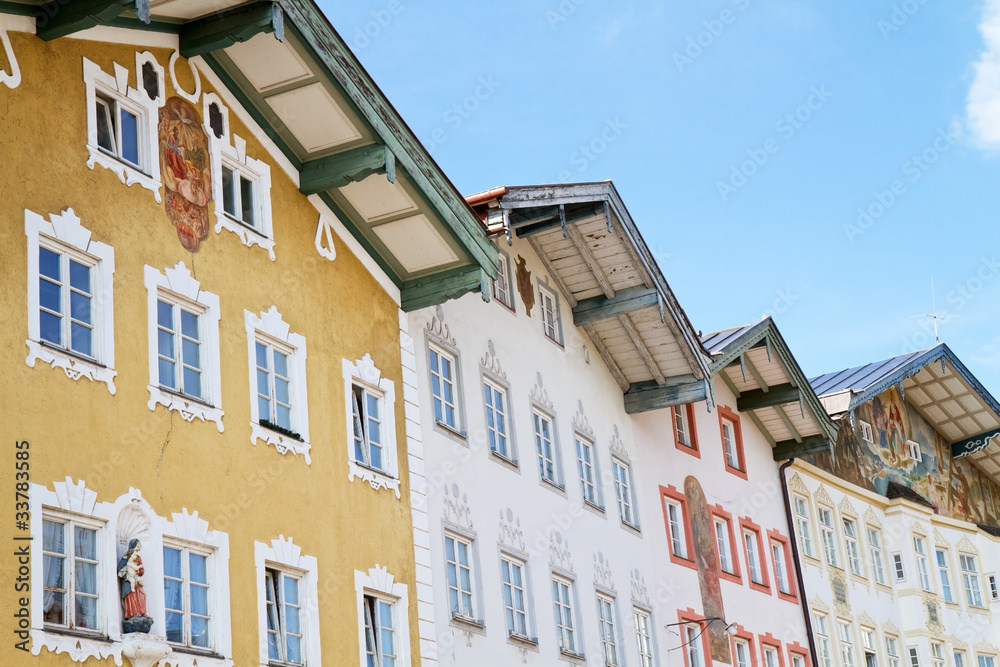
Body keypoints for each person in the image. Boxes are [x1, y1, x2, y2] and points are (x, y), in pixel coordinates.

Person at [118, 539, 147, 619]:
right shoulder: (127, 557)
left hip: (136, 579)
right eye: (138, 545)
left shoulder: (138, 558)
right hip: (129, 580)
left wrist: (140, 570)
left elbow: (141, 571)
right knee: (131, 595)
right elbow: (120, 569)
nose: (140, 546)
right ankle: (132, 613)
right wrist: (128, 574)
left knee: (142, 595)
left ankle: (141, 612)